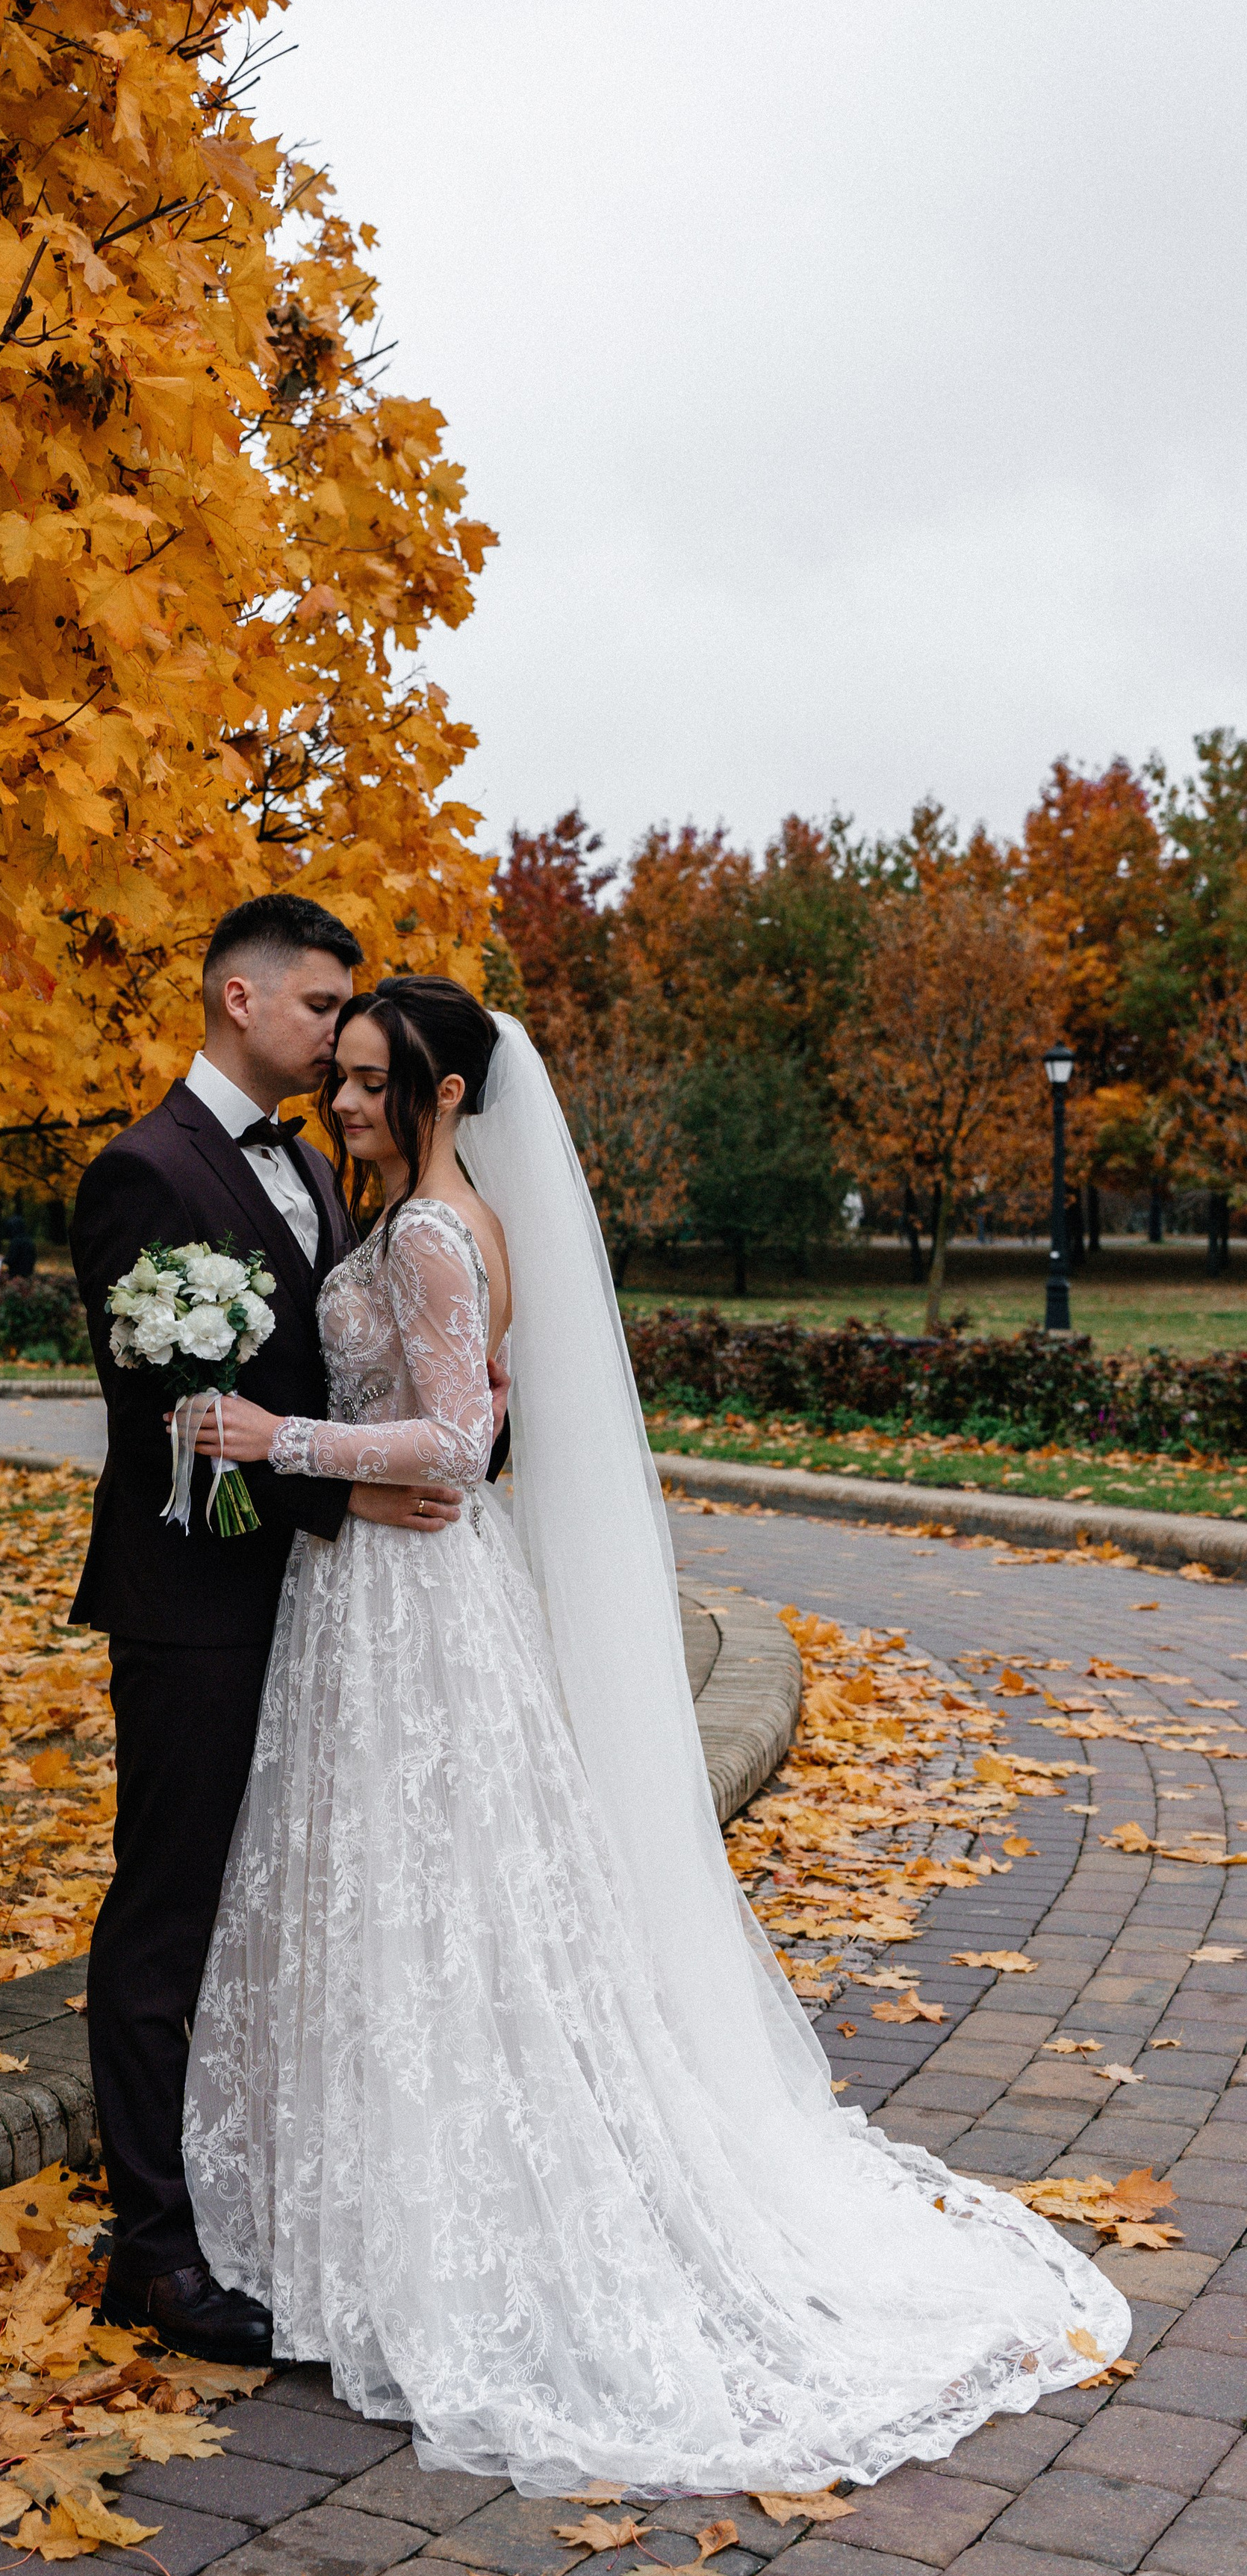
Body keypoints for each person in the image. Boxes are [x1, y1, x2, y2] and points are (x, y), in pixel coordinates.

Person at [181, 976, 1127, 2492]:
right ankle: (382, 2205)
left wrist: (267, 1439)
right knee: (423, 1901)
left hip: (413, 1599)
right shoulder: (432, 1222)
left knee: (427, 1893)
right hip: (396, 1591)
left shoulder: (426, 1232)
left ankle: (420, 2231)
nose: (343, 1104)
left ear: (445, 1100)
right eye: (339, 1079)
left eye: (372, 1084)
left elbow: (456, 1442)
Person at [68, 896, 494, 2364]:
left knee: (283, 1914)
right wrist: (343, 1502)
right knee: (168, 1915)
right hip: (192, 1609)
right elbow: (167, 1425)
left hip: (317, 1616)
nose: (334, 1040)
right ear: (239, 1000)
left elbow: (359, 1383)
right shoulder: (141, 1171)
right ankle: (152, 2246)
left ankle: (254, 2197)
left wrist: (407, 1465)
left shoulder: (324, 1170)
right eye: (321, 1011)